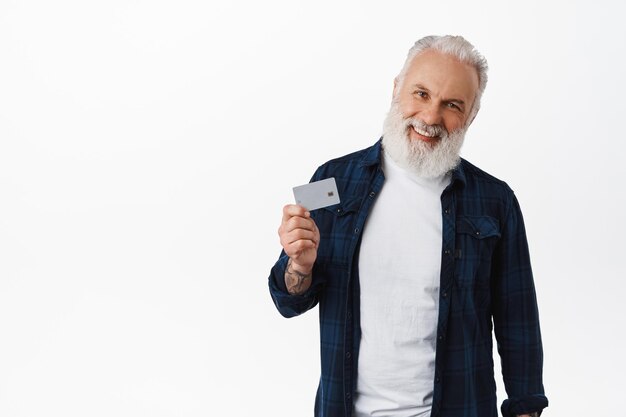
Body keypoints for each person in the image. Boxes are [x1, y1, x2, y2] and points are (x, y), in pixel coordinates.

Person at [268, 35, 548, 417]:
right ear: (396, 89)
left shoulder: (496, 201)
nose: (431, 117)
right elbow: (289, 301)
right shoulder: (330, 181)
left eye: (452, 105)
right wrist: (298, 266)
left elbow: (518, 320)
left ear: (471, 115)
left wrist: (526, 408)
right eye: (421, 93)